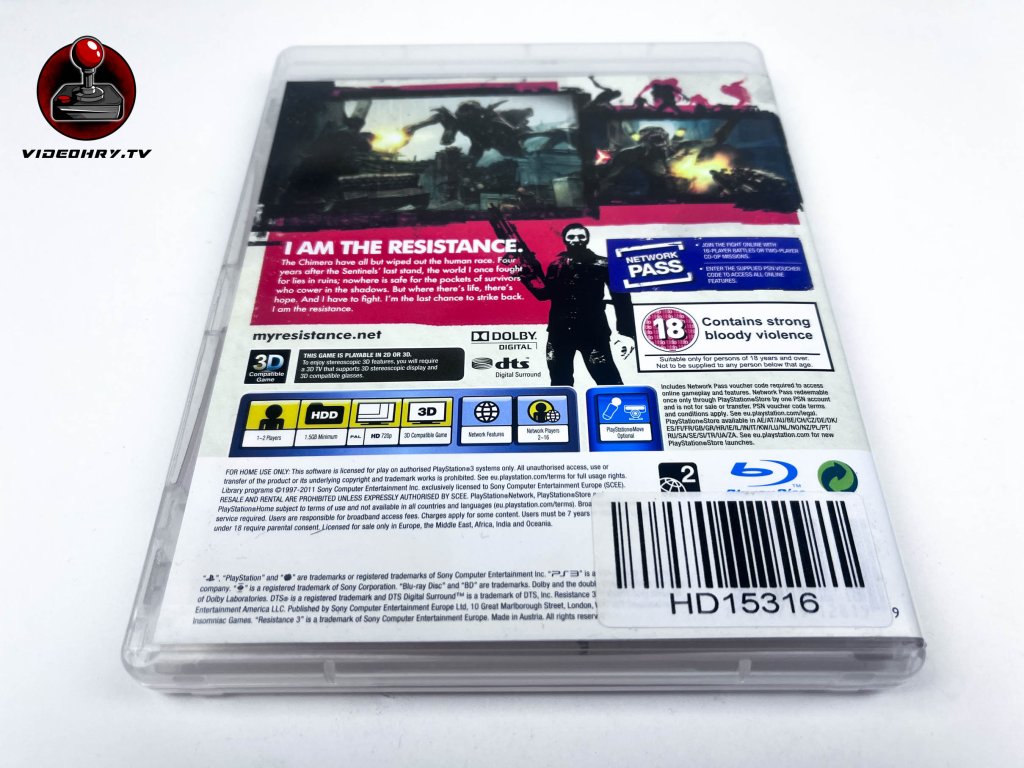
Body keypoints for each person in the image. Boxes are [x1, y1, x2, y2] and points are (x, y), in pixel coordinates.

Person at [521, 223, 635, 386]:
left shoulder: (604, 264)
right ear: (564, 239)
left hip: (593, 331)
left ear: (587, 239)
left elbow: (621, 299)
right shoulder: (556, 265)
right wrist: (526, 275)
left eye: (581, 236)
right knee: (559, 383)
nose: (576, 240)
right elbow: (544, 295)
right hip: (559, 332)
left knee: (608, 380)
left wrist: (626, 333)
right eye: (571, 237)